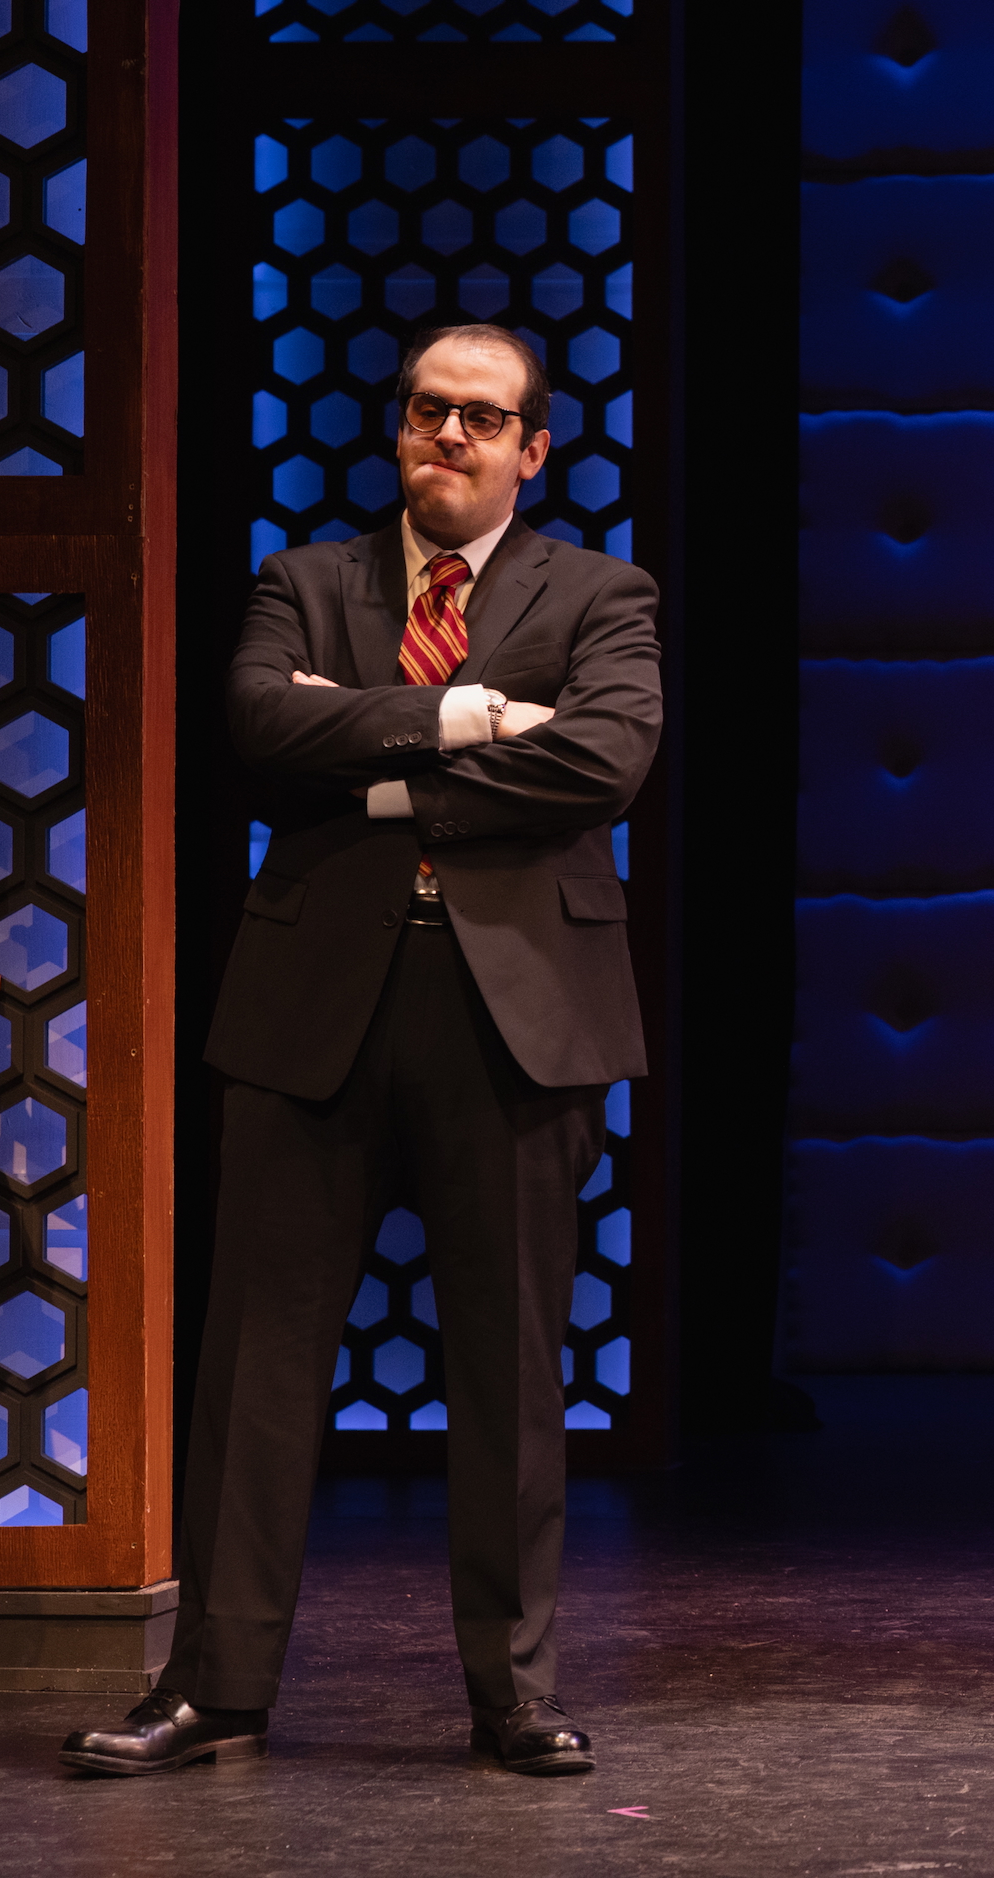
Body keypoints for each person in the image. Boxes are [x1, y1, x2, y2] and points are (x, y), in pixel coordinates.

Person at [64, 324, 662, 1779]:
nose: (447, 435)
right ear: (397, 429)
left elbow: (605, 758)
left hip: (517, 1016)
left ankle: (510, 1695)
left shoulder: (603, 593)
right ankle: (215, 1687)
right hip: (308, 1006)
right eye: (425, 411)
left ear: (535, 446)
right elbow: (261, 731)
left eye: (482, 417)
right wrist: (463, 717)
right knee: (257, 1364)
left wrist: (378, 775)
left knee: (514, 1374)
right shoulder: (306, 582)